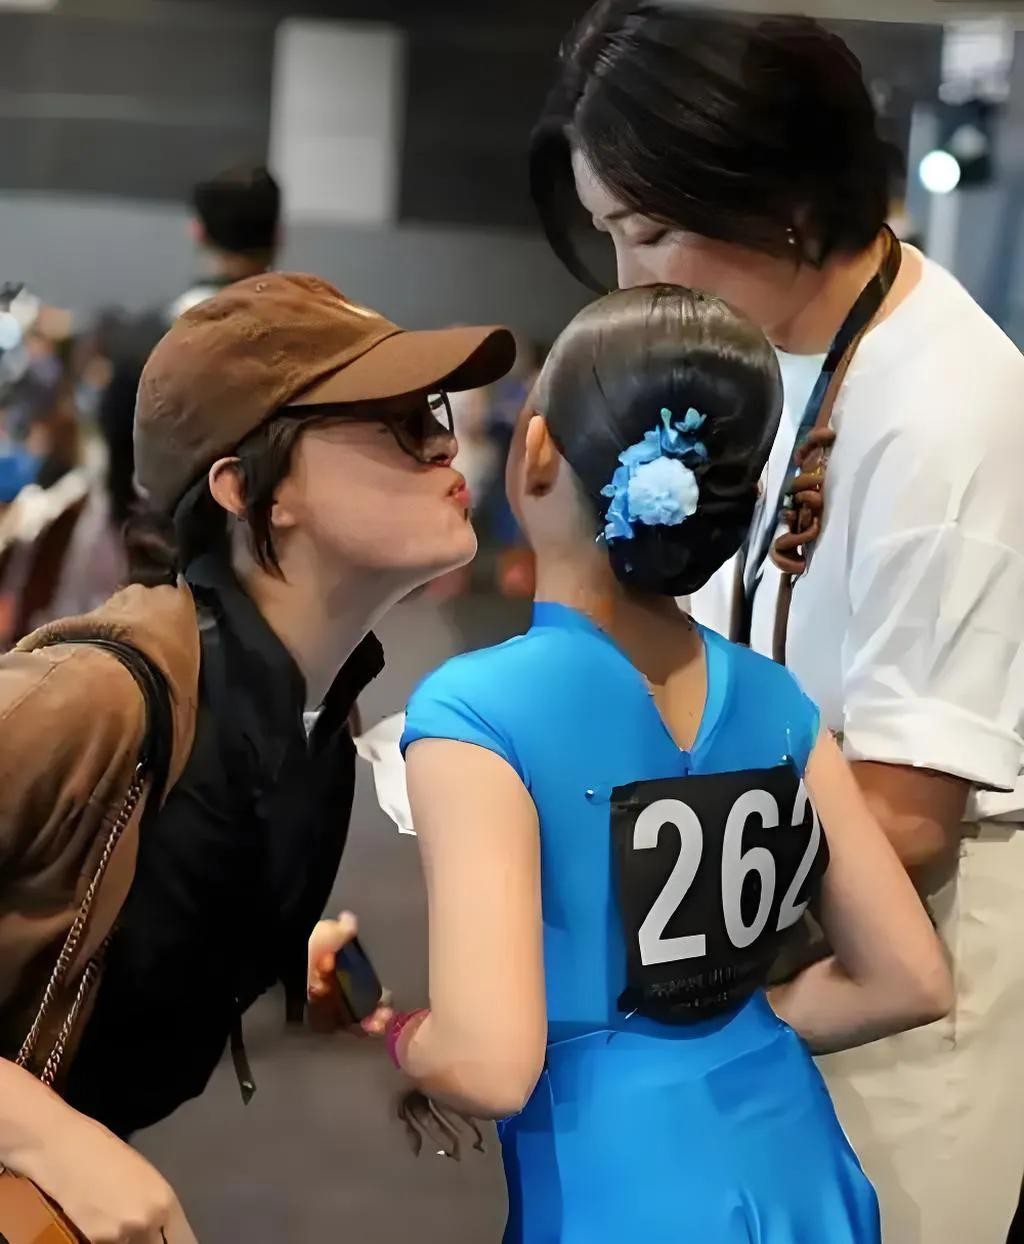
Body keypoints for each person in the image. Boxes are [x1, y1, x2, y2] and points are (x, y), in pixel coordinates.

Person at [311, 285, 951, 1241]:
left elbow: (489, 1064)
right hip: (799, 1162)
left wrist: (399, 1035)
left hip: (620, 1188)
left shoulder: (478, 709)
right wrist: (720, 1034)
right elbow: (909, 978)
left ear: (534, 451)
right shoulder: (777, 700)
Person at [531, 8, 1024, 1242]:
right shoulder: (770, 348)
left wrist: (608, 889)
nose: (630, 279)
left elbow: (907, 819)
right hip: (762, 948)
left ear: (782, 201)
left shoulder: (947, 409)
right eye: (609, 233)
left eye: (650, 231)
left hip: (881, 1000)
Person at [0, 272, 515, 1243]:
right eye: (398, 422)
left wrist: (258, 939)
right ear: (247, 488)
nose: (445, 445)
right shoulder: (90, 697)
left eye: (435, 414)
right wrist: (49, 1137)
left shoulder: (303, 713)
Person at [100, 164, 282, 529]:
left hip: (171, 543)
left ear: (198, 232)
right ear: (278, 236)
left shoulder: (150, 341)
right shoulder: (316, 339)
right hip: (280, 540)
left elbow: (120, 464)